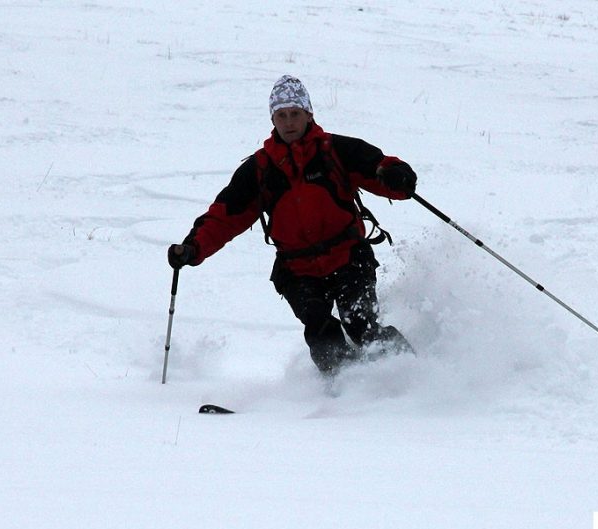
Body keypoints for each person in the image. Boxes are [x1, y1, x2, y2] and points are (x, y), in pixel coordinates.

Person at [168, 75, 417, 375]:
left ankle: (412, 373)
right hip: (299, 272)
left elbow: (384, 168)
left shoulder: (336, 150)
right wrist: (193, 248)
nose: (288, 122)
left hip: (349, 257)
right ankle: (347, 393)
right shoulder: (259, 170)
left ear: (309, 114)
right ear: (272, 118)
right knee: (320, 332)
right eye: (281, 115)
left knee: (361, 324)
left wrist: (397, 177)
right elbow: (224, 216)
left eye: (295, 114)